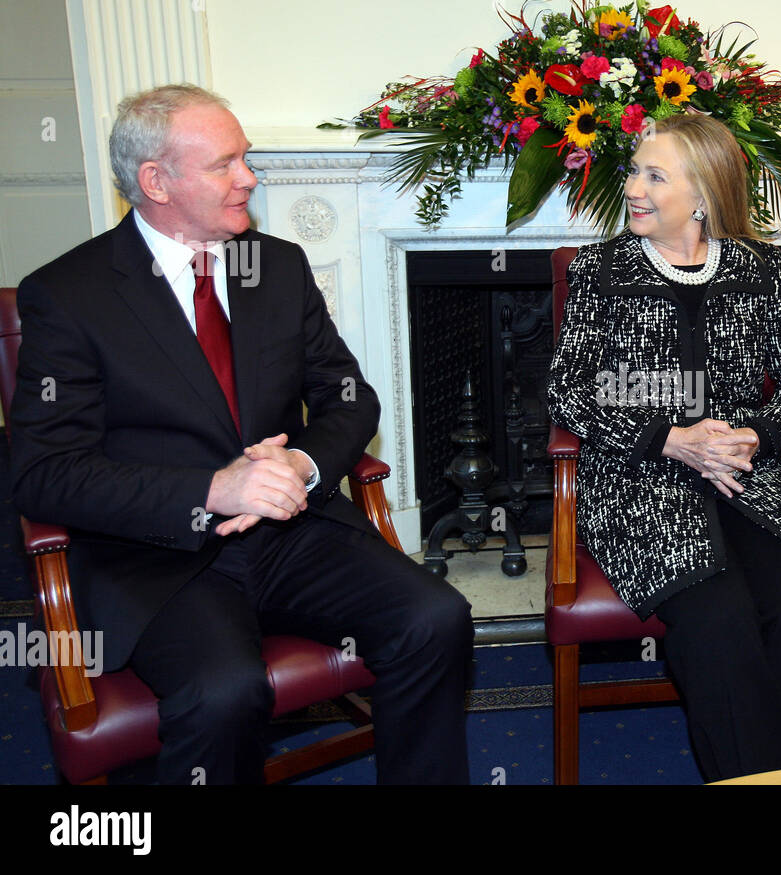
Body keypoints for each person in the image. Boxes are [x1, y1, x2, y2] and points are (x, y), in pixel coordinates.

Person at [8, 84, 473, 784]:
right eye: (225, 163)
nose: (249, 178)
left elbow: (349, 397)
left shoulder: (275, 267)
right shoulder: (69, 296)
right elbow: (44, 471)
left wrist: (305, 467)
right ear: (156, 181)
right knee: (225, 691)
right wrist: (214, 488)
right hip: (160, 556)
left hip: (293, 532)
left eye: (245, 157)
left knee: (437, 618)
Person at [547, 113, 781, 782]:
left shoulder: (759, 268)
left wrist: (759, 434)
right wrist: (669, 438)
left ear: (705, 195)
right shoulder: (600, 270)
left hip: (746, 477)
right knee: (718, 619)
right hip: (638, 483)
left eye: (654, 175)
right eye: (634, 169)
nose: (632, 186)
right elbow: (566, 392)